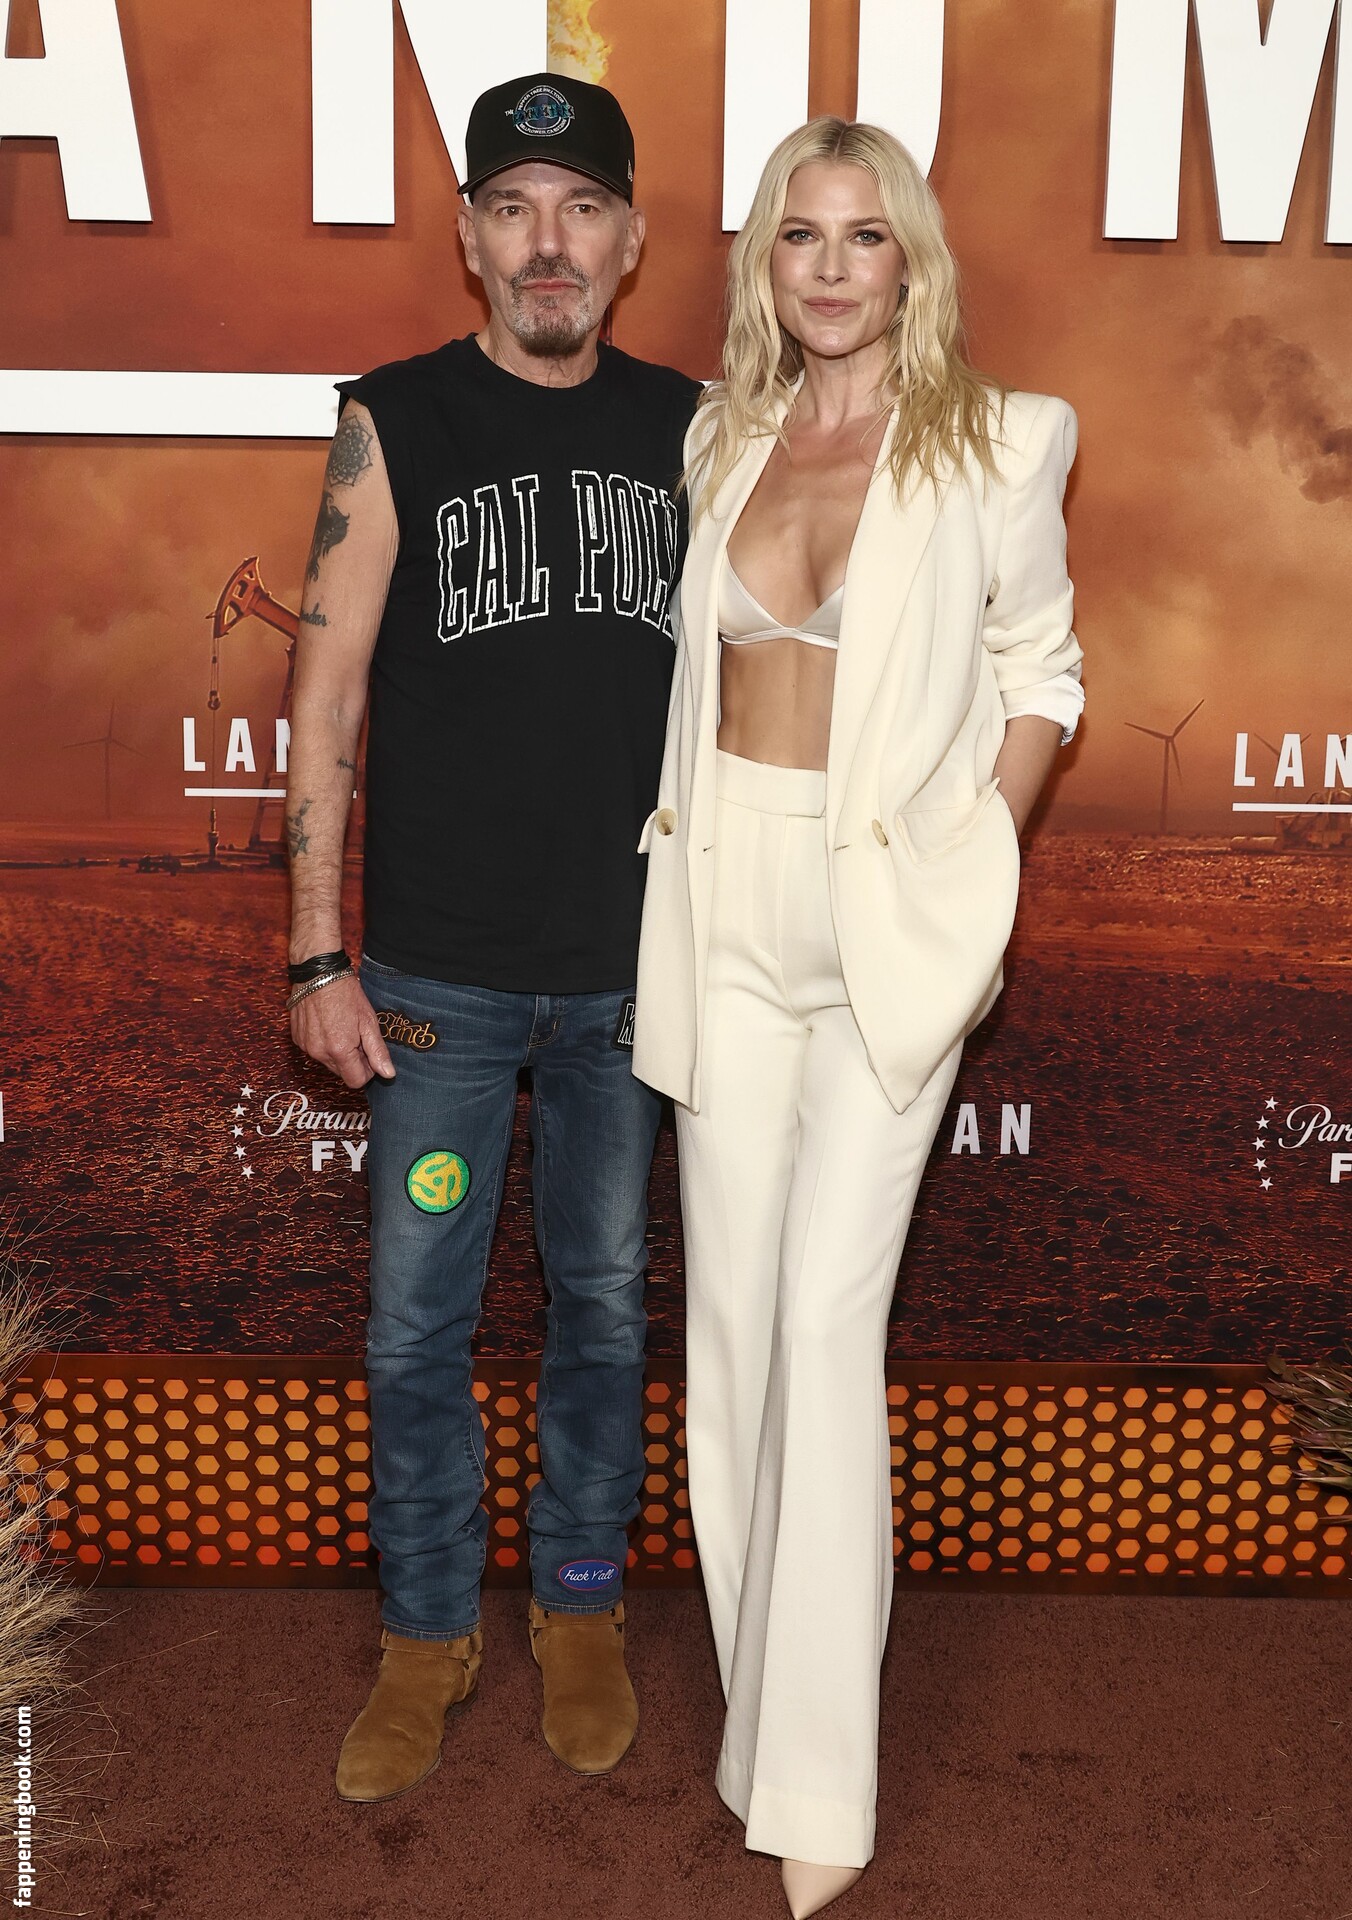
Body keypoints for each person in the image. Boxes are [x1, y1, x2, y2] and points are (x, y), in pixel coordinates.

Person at [632, 117, 1083, 1917]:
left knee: (826, 1322)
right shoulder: (718, 436)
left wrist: (981, 850)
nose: (831, 267)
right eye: (800, 236)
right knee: (736, 1331)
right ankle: (765, 1719)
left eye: (865, 236)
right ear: (767, 261)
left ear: (914, 262)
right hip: (721, 900)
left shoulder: (1007, 440)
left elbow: (1043, 673)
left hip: (884, 913)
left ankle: (823, 1780)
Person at [284, 71, 701, 1803]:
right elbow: (322, 700)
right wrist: (318, 955)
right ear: (467, 237)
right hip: (435, 987)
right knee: (416, 1325)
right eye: (516, 208)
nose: (549, 242)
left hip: (633, 981)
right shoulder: (393, 421)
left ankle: (582, 1603)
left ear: (630, 240)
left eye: (582, 208)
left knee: (603, 1308)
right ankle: (427, 1630)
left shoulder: (698, 428)